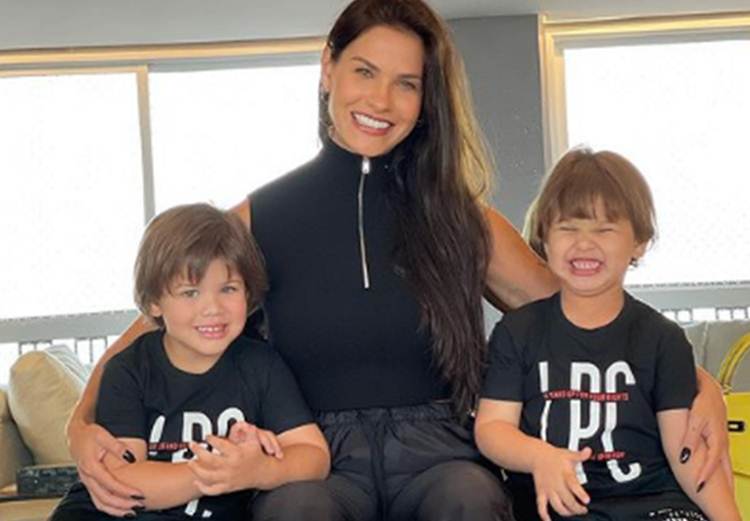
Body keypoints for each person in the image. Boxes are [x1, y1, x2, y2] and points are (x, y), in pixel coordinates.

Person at [66, 1, 730, 520]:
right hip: (315, 455)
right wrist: (78, 426)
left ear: (425, 99)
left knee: (470, 498)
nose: (380, 101)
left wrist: (698, 384)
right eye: (364, 71)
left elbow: (588, 312)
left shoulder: (463, 218)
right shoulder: (257, 218)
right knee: (297, 509)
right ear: (328, 68)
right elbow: (151, 331)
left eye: (405, 84)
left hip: (439, 451)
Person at [475, 148, 740, 521]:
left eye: (604, 229)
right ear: (544, 236)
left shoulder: (662, 339)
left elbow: (687, 452)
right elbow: (493, 427)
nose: (584, 243)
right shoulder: (518, 333)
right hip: (557, 508)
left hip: (652, 505)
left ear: (639, 242)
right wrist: (538, 456)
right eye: (568, 228)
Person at [51, 204, 329, 520]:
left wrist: (260, 469)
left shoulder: (260, 365)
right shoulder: (129, 369)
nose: (213, 308)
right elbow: (123, 482)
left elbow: (314, 456)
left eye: (228, 289)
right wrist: (222, 469)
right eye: (190, 293)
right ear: (154, 302)